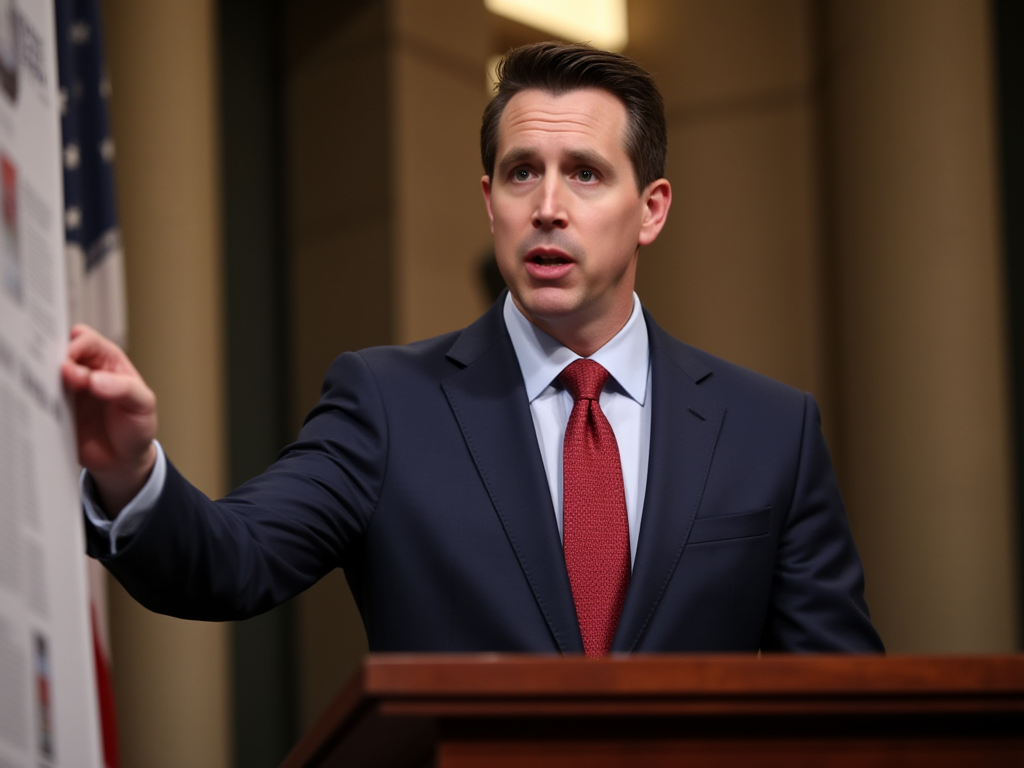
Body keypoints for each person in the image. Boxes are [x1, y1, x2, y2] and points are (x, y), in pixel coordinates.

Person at [63, 43, 883, 654]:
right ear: (489, 201)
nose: (549, 207)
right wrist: (131, 473)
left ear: (652, 209)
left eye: (587, 174)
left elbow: (843, 700)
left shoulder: (770, 431)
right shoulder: (386, 403)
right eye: (522, 172)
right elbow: (229, 563)